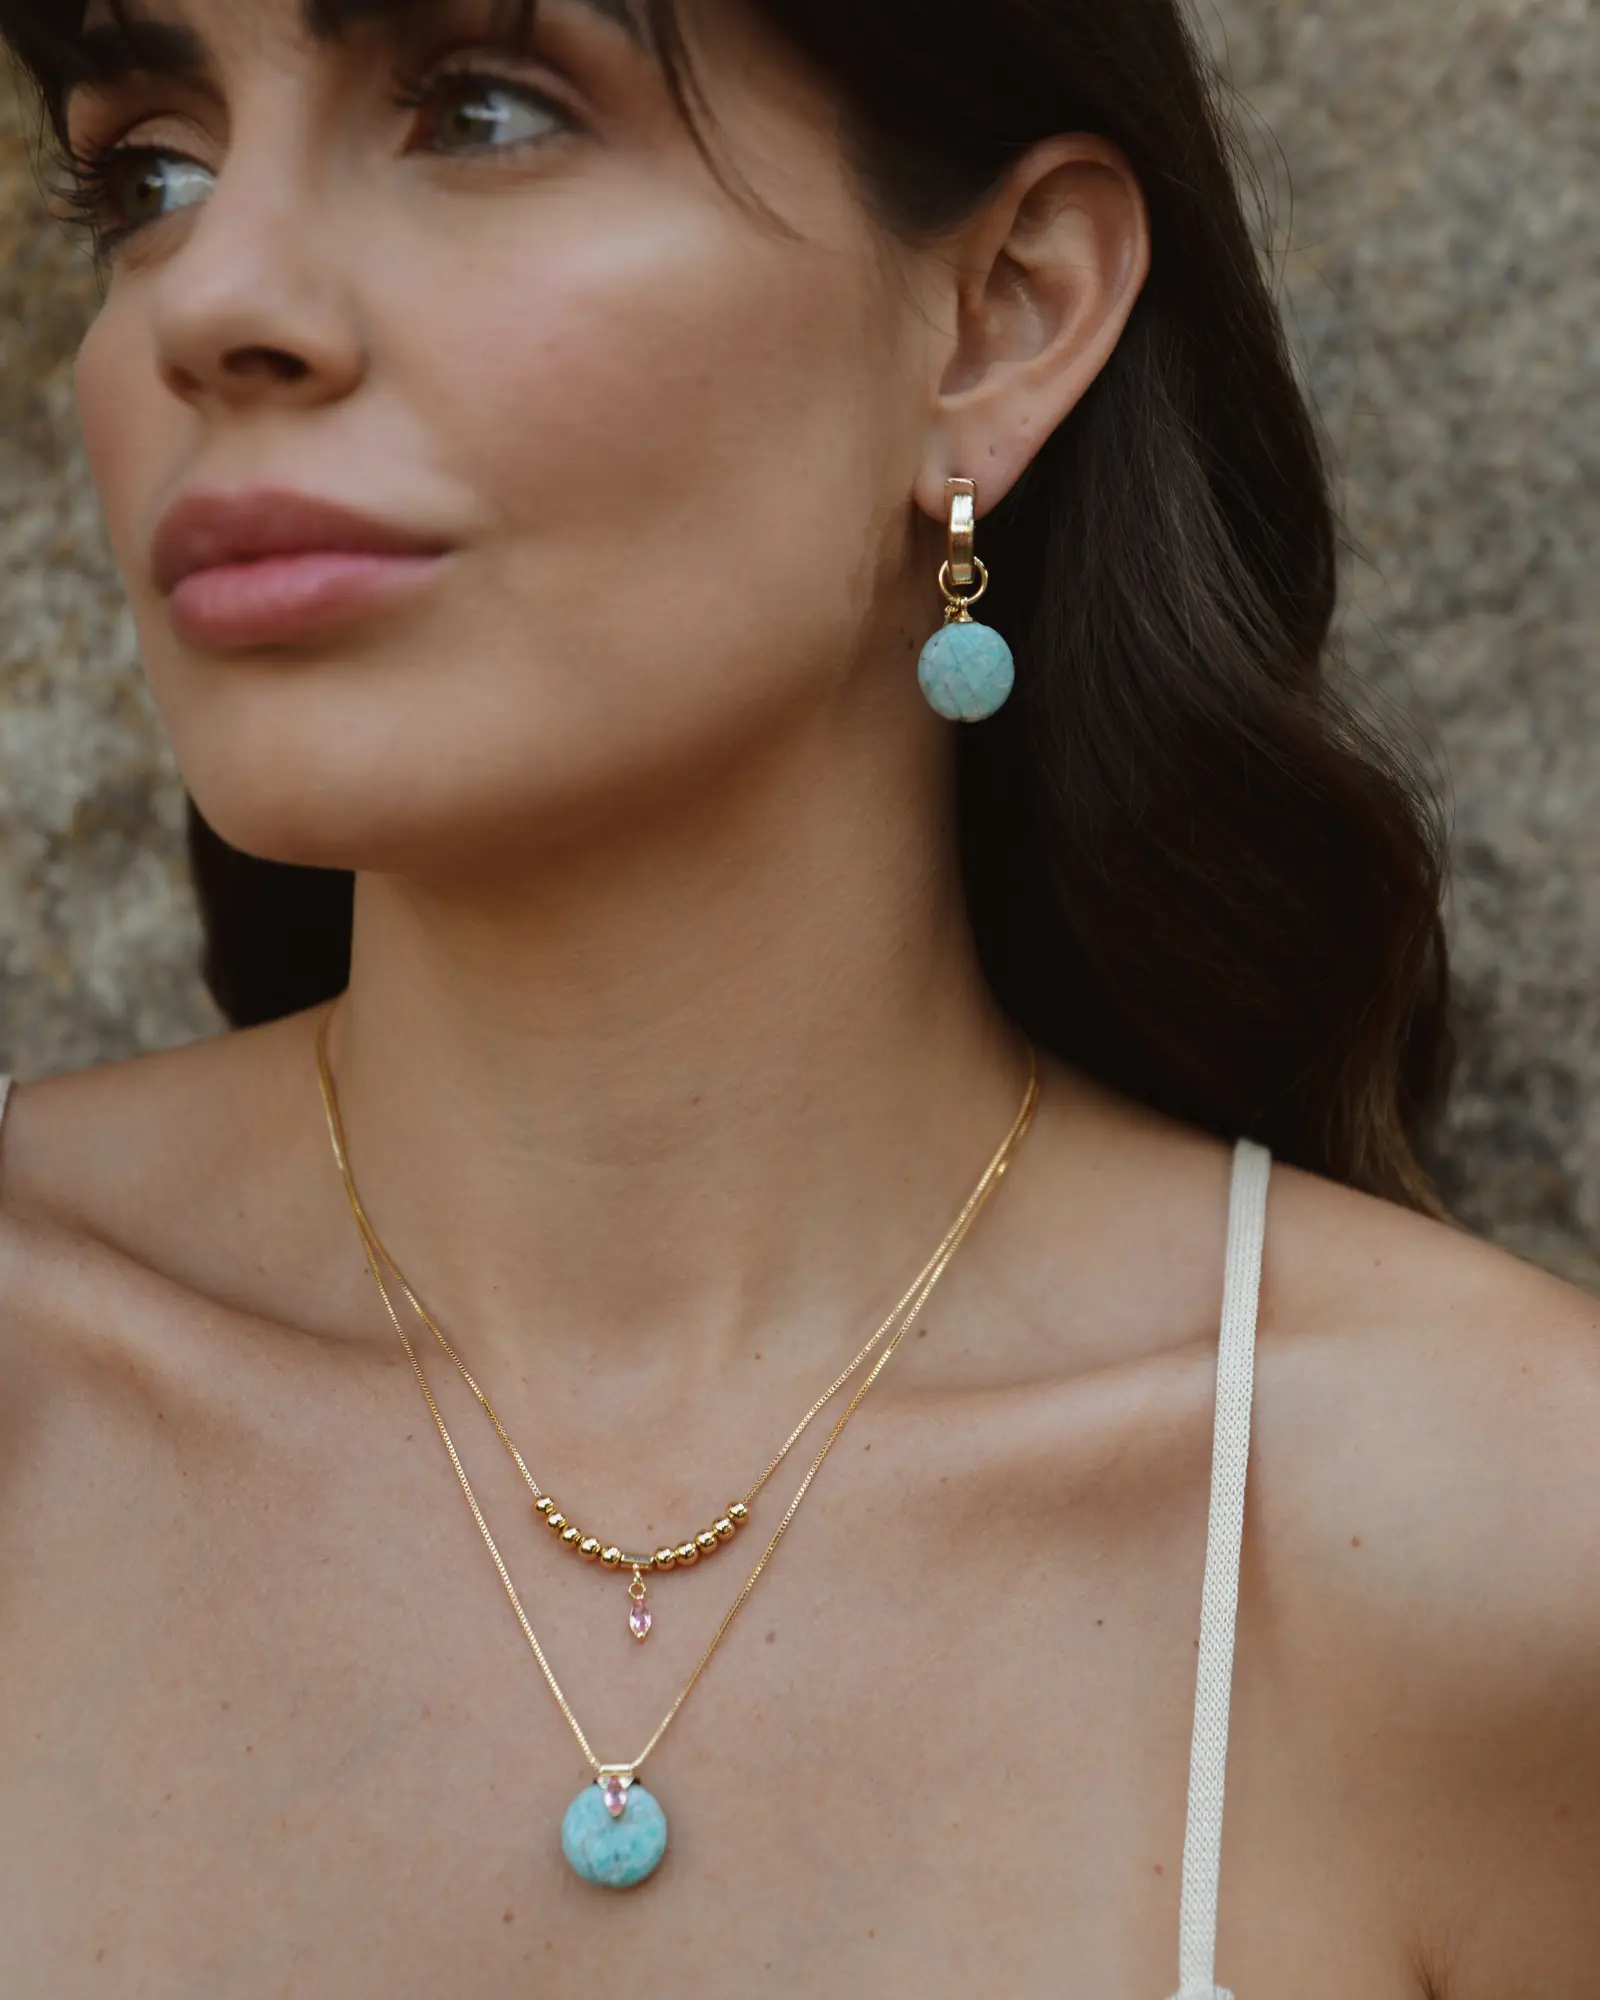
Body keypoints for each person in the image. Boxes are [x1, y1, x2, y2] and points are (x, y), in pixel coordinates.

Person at [1, 0, 1596, 1991]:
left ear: (998, 314)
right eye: (147, 170)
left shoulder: (1494, 1546)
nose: (211, 299)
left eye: (479, 111)